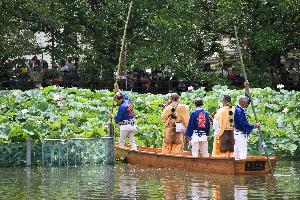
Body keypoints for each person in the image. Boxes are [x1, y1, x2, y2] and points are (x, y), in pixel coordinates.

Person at [233, 81, 260, 160]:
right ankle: (242, 168)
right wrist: (254, 126)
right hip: (240, 134)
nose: (247, 105)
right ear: (241, 102)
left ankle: (236, 167)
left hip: (238, 134)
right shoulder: (239, 111)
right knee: (242, 152)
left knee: (237, 152)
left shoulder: (241, 108)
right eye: (246, 104)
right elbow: (243, 124)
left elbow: (248, 98)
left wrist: (246, 87)